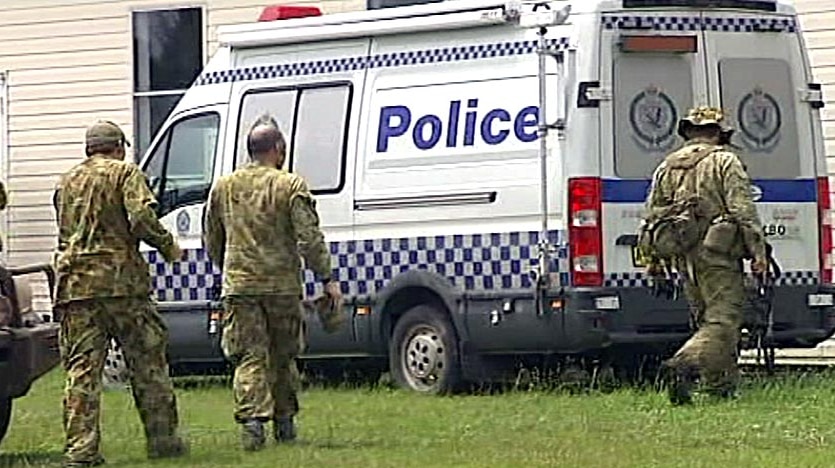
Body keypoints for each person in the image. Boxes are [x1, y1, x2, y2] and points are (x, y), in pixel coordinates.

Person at [203, 114, 343, 451]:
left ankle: (252, 425)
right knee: (283, 356)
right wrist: (326, 278)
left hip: (240, 287)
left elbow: (212, 237)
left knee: (250, 356)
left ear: (250, 150)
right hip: (282, 287)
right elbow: (308, 238)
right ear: (278, 149)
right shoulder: (290, 185)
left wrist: (229, 268)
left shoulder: (224, 187)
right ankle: (284, 423)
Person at [52, 121, 188, 467]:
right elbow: (141, 216)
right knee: (147, 364)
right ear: (118, 147)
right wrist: (167, 245)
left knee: (82, 370)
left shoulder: (65, 182)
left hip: (75, 288)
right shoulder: (126, 173)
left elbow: (66, 232)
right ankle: (163, 443)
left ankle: (82, 450)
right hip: (123, 286)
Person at [639, 106, 768, 405]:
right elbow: (742, 211)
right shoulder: (725, 161)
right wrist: (758, 253)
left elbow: (652, 216)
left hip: (683, 256)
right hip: (718, 255)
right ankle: (683, 365)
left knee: (706, 322)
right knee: (723, 321)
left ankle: (719, 388)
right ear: (719, 133)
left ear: (688, 132)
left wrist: (653, 260)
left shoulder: (667, 166)